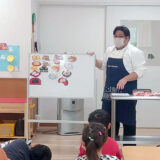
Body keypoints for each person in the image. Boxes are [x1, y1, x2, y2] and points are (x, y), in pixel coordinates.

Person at [88, 25, 145, 137]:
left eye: (120, 36)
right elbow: (102, 65)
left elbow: (140, 70)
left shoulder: (134, 52)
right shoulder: (110, 50)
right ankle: (110, 148)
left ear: (127, 38)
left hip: (126, 92)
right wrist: (93, 59)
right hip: (109, 92)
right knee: (109, 121)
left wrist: (125, 79)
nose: (117, 39)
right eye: (115, 36)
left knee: (128, 121)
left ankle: (130, 150)